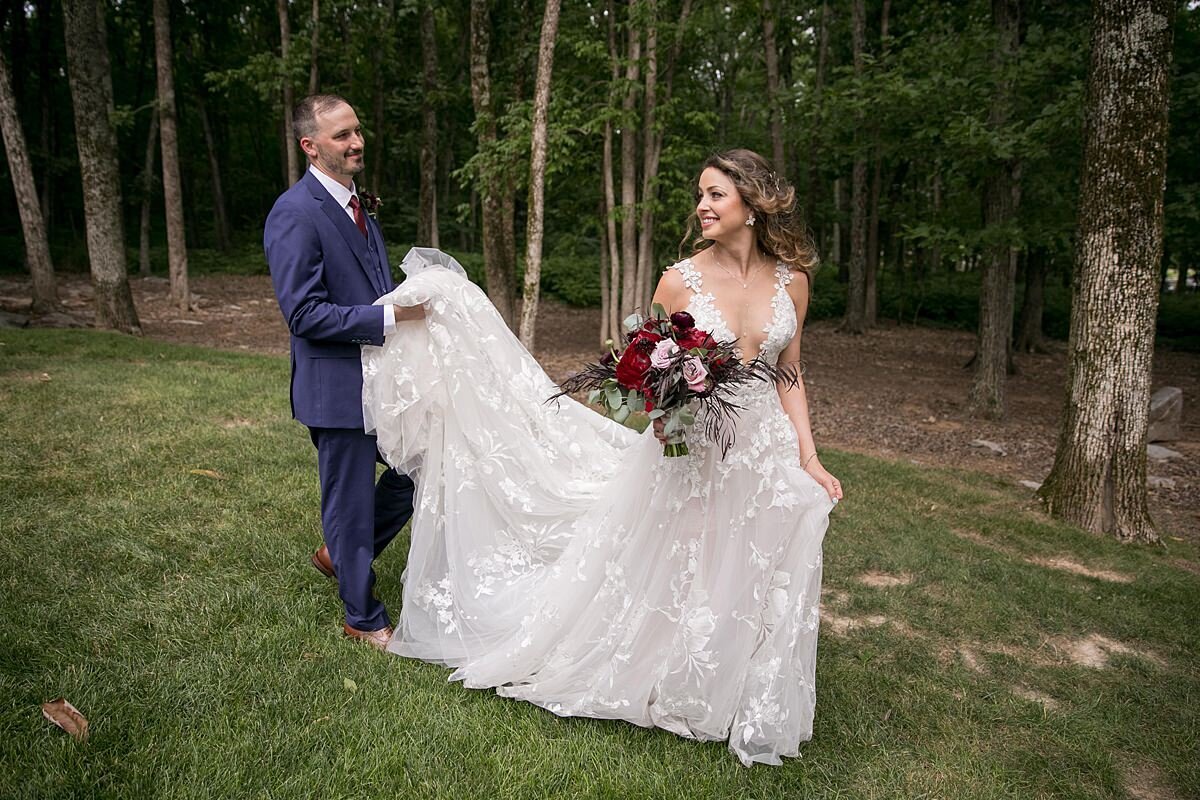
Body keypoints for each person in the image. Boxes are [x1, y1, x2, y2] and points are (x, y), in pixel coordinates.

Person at [361, 149, 841, 765]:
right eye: (701, 193)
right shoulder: (679, 280)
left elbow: (790, 373)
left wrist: (809, 456)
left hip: (763, 443)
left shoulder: (791, 281)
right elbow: (654, 372)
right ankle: (670, 670)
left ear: (752, 203)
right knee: (685, 557)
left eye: (716, 194)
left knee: (757, 556)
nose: (702, 205)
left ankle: (739, 682)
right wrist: (664, 409)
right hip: (693, 442)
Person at [264, 94, 423, 649]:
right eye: (341, 136)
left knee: (420, 467)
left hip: (383, 380)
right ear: (310, 145)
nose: (356, 143)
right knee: (350, 502)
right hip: (336, 388)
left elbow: (373, 284)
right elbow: (303, 313)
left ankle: (340, 553)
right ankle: (363, 617)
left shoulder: (359, 205)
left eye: (357, 131)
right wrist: (389, 316)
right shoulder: (294, 212)